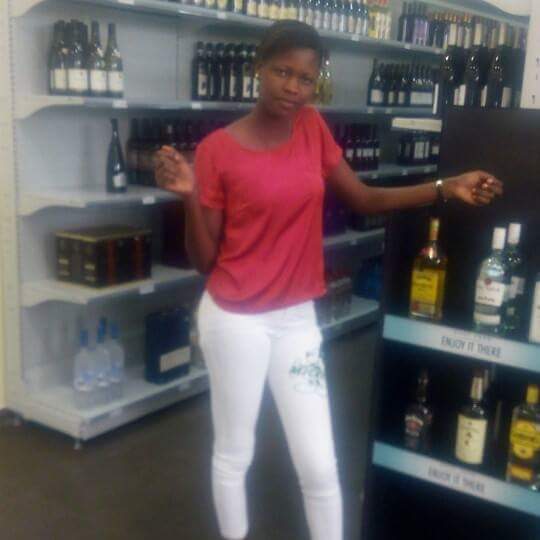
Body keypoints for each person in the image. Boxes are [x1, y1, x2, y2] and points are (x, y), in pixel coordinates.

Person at [155, 20, 502, 540]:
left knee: (319, 465)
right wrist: (187, 196)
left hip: (296, 320)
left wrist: (445, 187)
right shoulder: (216, 150)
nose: (294, 88)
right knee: (235, 451)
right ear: (258, 68)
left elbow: (364, 198)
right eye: (282, 72)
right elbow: (205, 260)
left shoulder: (312, 127)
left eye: (305, 78)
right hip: (235, 320)